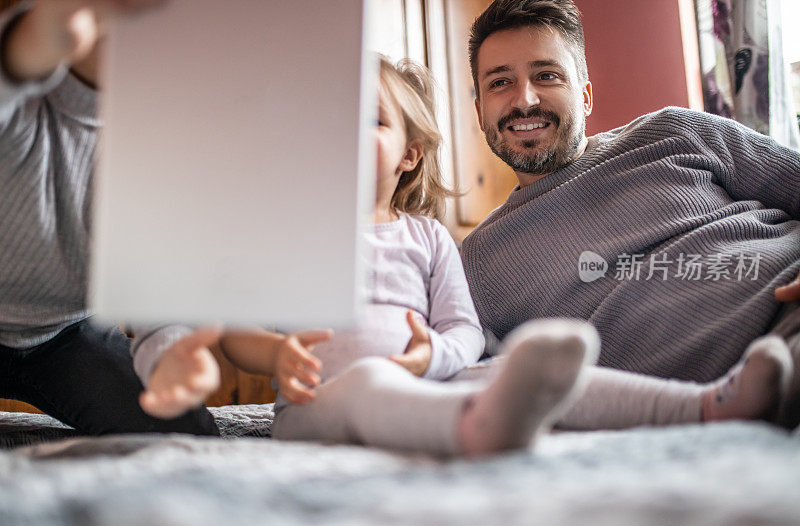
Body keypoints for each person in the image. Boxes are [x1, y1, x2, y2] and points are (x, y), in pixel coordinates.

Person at [142, 58, 793, 455]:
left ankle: (707, 405)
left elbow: (463, 331)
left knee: (505, 368)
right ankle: (473, 430)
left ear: (408, 153)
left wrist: (435, 356)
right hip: (322, 405)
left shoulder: (429, 239)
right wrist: (278, 355)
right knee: (374, 383)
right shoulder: (292, 237)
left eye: (364, 116)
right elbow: (238, 334)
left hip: (429, 377)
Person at [459, 0, 800, 428]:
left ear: (584, 95)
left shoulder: (676, 131)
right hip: (714, 399)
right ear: (480, 111)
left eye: (546, 75)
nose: (524, 99)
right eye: (500, 82)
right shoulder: (472, 265)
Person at [0, 0, 218, 435]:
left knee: (185, 432)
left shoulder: (174, 140)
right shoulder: (22, 89)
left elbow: (158, 292)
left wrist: (170, 353)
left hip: (67, 334)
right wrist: (31, 40)